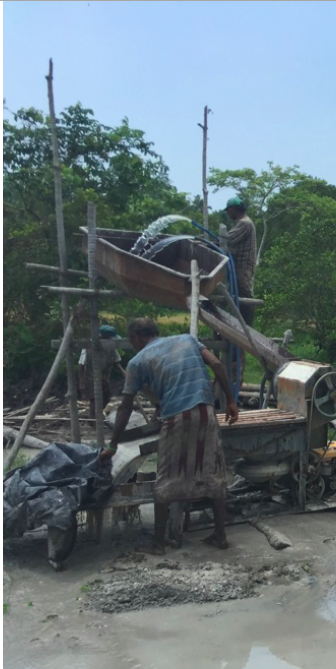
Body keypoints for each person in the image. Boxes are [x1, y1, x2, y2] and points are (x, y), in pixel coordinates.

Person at [102, 318, 239, 554]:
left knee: (165, 478)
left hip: (177, 417)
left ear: (135, 338)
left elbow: (125, 407)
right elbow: (216, 364)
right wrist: (230, 400)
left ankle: (158, 543)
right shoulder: (187, 339)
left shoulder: (137, 361)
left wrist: (113, 444)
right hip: (206, 411)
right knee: (214, 471)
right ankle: (220, 535)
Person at [224, 195, 257, 327]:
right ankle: (240, 326)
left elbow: (227, 240)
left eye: (228, 210)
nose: (227, 213)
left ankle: (246, 328)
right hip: (240, 269)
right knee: (237, 298)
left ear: (234, 209)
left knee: (243, 297)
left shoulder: (244, 223)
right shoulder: (243, 223)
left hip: (242, 269)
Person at [78, 324, 124, 417]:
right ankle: (93, 419)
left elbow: (116, 361)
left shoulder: (111, 346)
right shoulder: (88, 346)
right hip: (91, 376)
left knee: (106, 399)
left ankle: (95, 415)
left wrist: (123, 372)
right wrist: (82, 381)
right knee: (94, 399)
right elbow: (81, 364)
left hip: (104, 376)